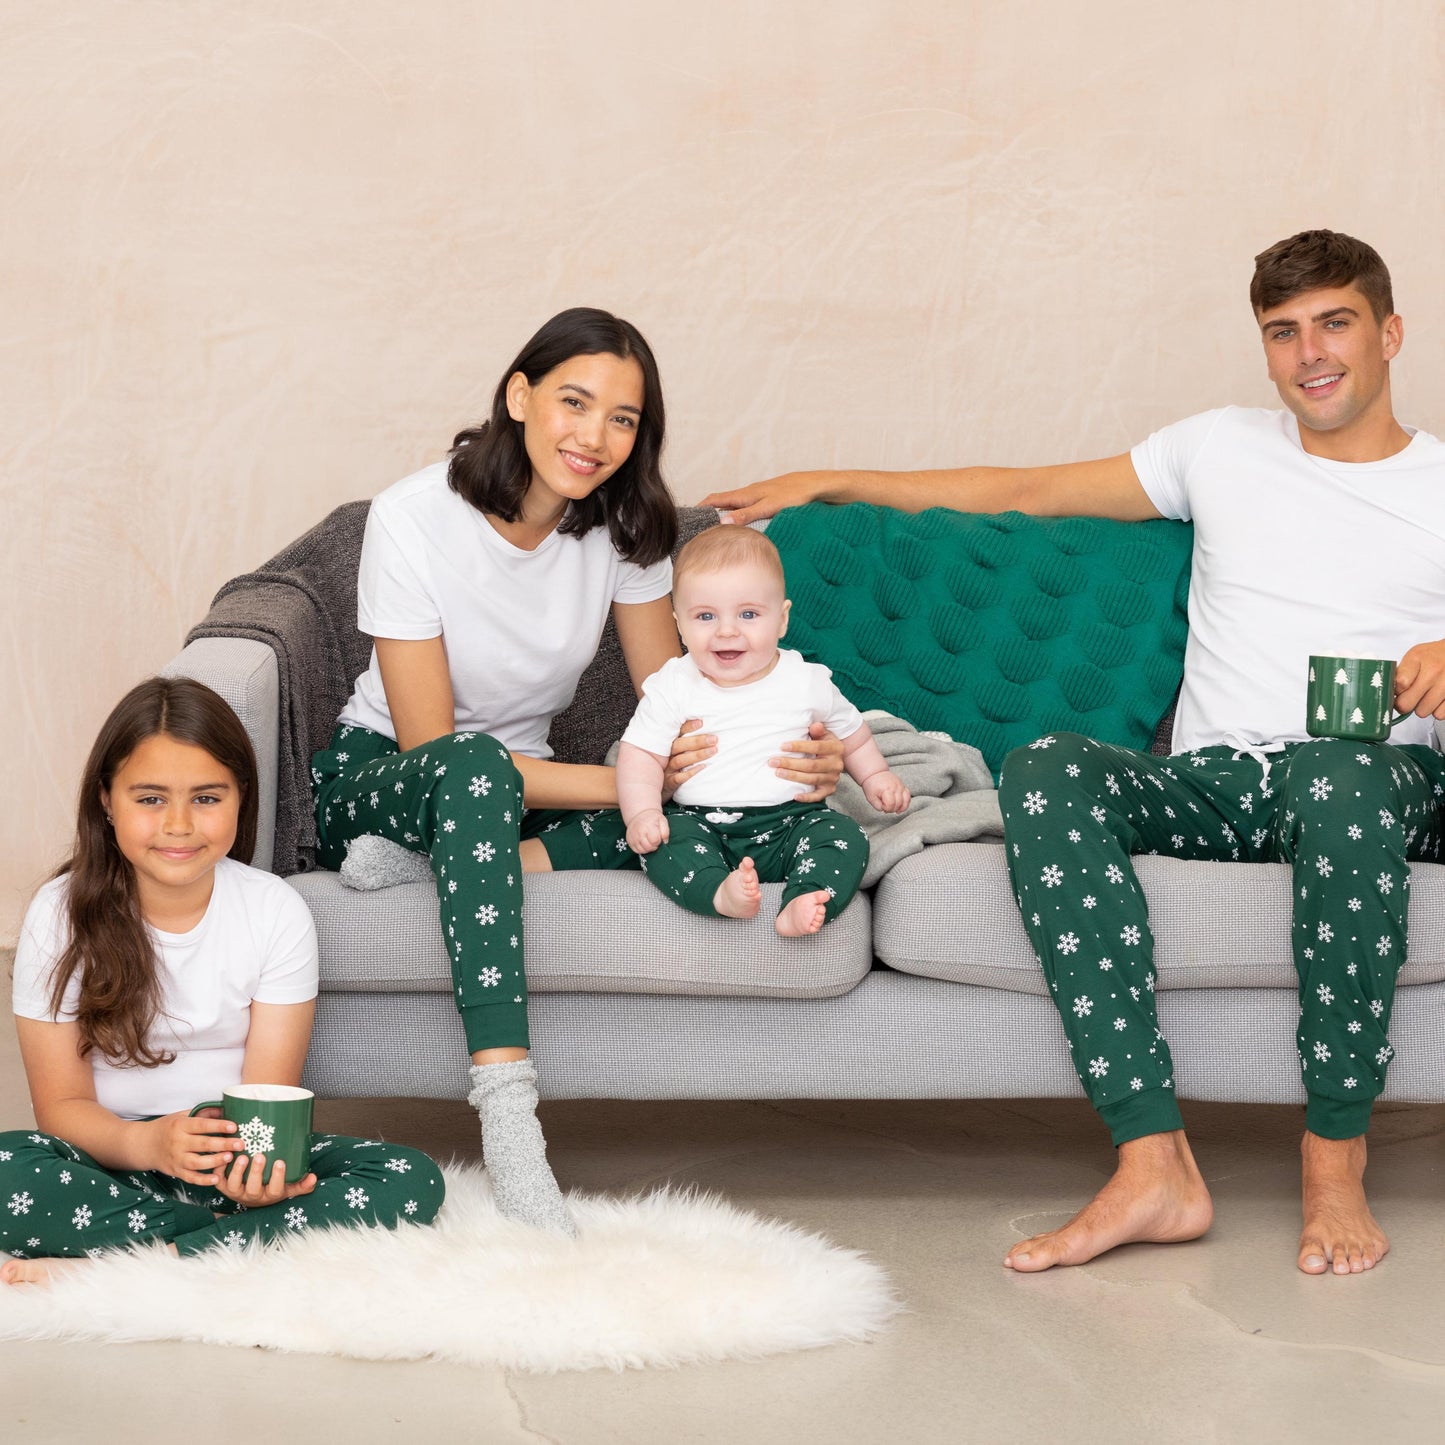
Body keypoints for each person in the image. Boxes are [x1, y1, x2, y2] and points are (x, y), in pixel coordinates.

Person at [701, 230, 1445, 1278]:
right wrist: (837, 482)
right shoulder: (1218, 447)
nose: (1307, 352)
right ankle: (1152, 1161)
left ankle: (1333, 1156)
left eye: (1333, 323)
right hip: (1214, 781)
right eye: (1281, 331)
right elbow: (1030, 490)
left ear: (1388, 333)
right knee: (1046, 763)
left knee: (1337, 772)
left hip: (1369, 776)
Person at [312, 308, 844, 1235]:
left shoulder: (621, 532)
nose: (595, 437)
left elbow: (673, 702)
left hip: (517, 800)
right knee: (510, 778)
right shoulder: (412, 516)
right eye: (573, 401)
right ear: (518, 397)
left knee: (671, 820)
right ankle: (511, 1119)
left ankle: (445, 870)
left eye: (623, 419)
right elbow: (433, 748)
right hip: (386, 783)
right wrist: (630, 786)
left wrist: (793, 750)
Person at [2, 677, 444, 1286]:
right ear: (107, 800)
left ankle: (156, 1260)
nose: (179, 825)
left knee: (411, 1178)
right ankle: (231, 1248)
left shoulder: (274, 909)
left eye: (207, 798)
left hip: (233, 1152)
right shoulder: (59, 913)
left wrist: (259, 1173)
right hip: (112, 1160)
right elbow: (61, 1108)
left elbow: (267, 1094)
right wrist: (152, 1146)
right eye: (150, 799)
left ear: (241, 797)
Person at [616, 525, 910, 936]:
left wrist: (876, 776)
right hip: (701, 822)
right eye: (705, 616)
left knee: (845, 836)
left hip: (793, 821)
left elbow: (853, 734)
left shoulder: (806, 680)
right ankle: (718, 893)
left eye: (749, 614)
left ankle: (805, 897)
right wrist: (644, 812)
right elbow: (641, 755)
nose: (726, 631)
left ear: (782, 619)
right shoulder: (674, 684)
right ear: (679, 623)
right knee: (662, 844)